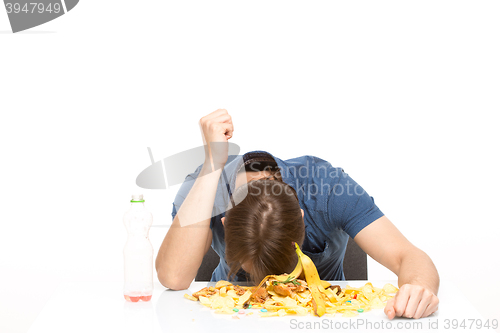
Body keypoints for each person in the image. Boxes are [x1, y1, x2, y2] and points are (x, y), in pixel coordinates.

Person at [156, 109, 440, 320]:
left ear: (303, 219)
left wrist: (418, 289)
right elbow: (173, 278)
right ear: (225, 224)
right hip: (232, 318)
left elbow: (409, 256)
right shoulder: (204, 187)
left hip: (320, 318)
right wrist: (210, 165)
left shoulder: (329, 188)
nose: (270, 290)